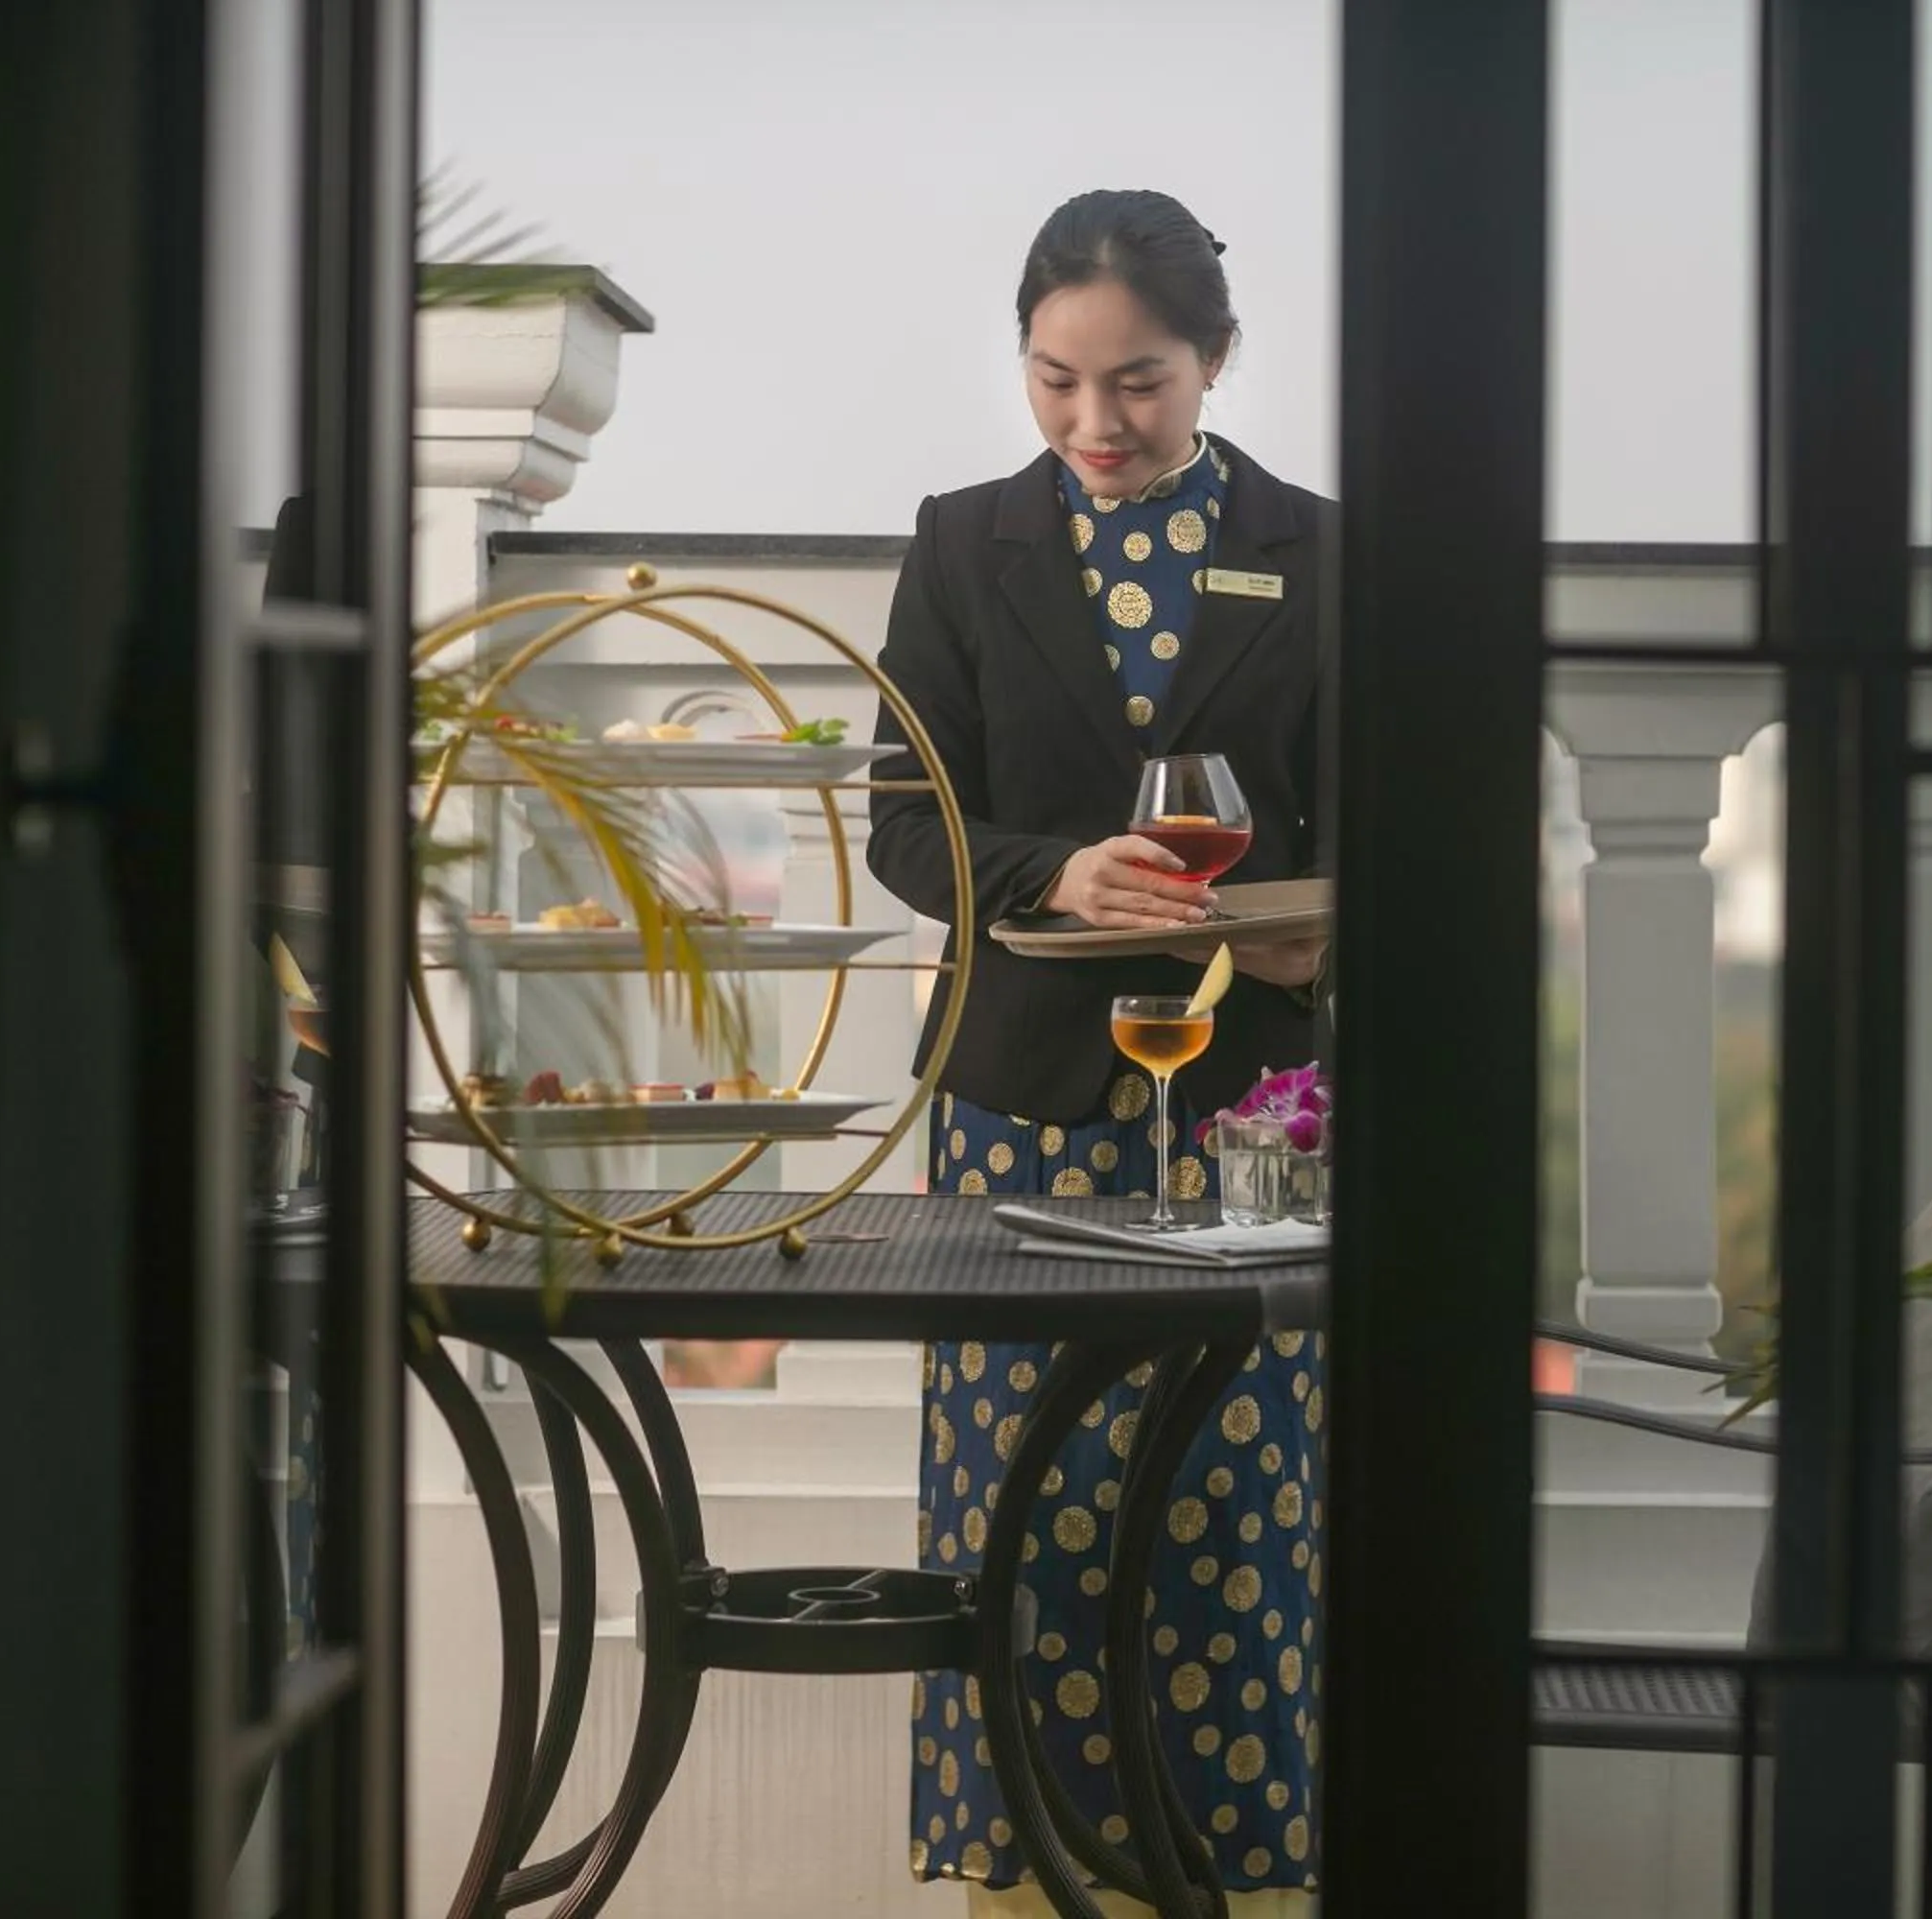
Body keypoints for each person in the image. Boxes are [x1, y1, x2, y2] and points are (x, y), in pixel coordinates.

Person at [865, 188, 1330, 1915]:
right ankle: (1028, 1883)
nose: (1093, 427)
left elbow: (1390, 834)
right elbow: (907, 824)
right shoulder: (961, 537)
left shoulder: (1325, 548)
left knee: (1231, 1515)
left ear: (1214, 358)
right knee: (1023, 1516)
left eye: (1135, 382)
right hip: (1019, 1109)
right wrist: (1053, 871)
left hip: (1255, 1110)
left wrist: (1284, 927)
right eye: (1054, 381)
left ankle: (1247, 1882)